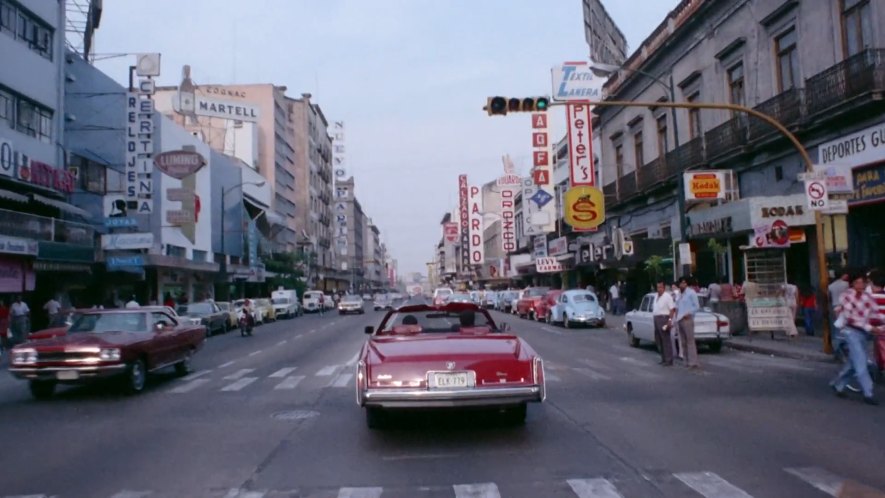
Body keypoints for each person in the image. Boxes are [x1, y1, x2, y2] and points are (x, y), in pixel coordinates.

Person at [830, 272, 883, 405]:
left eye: (862, 283)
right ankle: (868, 392)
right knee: (861, 363)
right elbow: (851, 318)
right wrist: (871, 328)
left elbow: (876, 312)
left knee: (854, 362)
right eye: (857, 283)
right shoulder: (846, 296)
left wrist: (880, 326)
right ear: (852, 284)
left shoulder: (867, 297)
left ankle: (838, 384)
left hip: (864, 333)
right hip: (851, 331)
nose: (860, 285)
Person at [674, 277, 701, 369]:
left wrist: (689, 313)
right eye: (681, 283)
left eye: (684, 283)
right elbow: (677, 306)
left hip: (687, 319)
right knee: (683, 342)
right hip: (679, 319)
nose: (683, 285)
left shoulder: (691, 293)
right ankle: (686, 360)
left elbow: (697, 306)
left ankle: (693, 362)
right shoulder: (679, 294)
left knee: (690, 341)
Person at [652, 281, 676, 366]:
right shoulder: (656, 296)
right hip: (656, 318)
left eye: (661, 287)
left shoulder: (667, 296)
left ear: (664, 288)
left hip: (664, 318)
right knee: (659, 340)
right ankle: (663, 358)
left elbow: (672, 309)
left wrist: (669, 320)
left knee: (666, 340)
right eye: (658, 287)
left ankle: (669, 360)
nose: (659, 289)